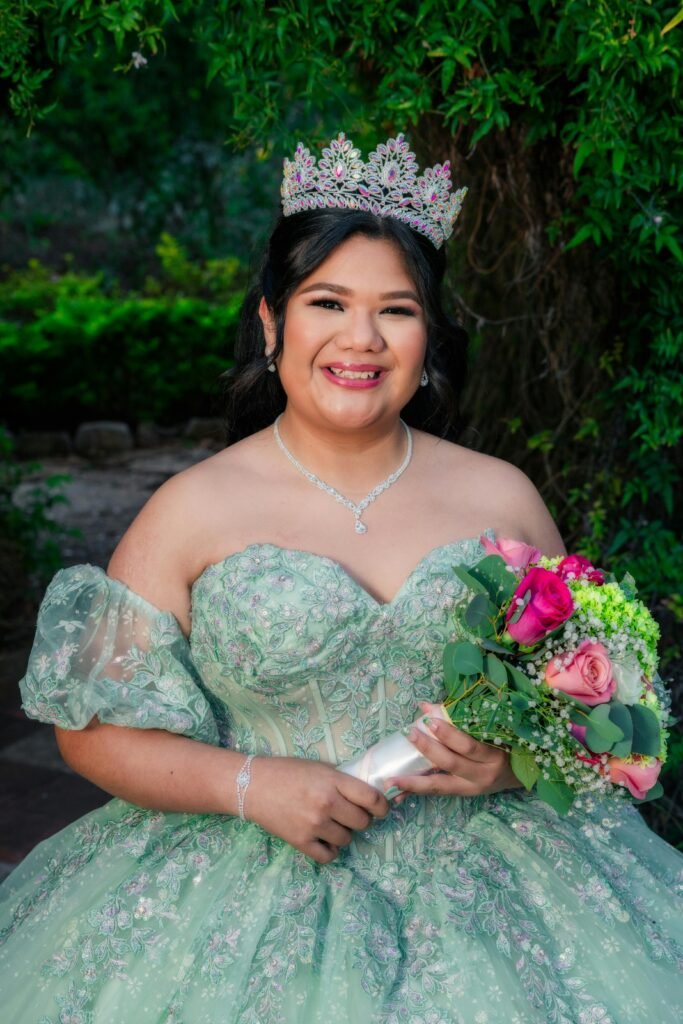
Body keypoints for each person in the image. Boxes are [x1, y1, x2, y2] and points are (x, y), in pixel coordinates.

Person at [0, 132, 681, 1024]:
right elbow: (90, 732)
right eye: (328, 301)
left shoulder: (500, 493)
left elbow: (586, 707)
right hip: (245, 883)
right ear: (274, 320)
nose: (360, 339)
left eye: (395, 310)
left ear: (427, 334)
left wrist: (510, 767)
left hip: (499, 882)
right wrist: (250, 784)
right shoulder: (190, 508)